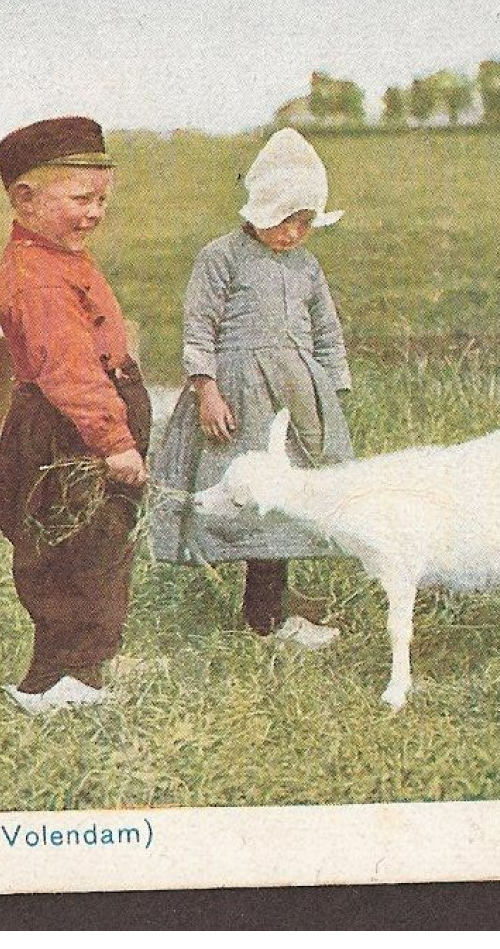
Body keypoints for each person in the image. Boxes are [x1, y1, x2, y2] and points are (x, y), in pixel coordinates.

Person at [150, 128, 353, 647]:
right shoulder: (221, 258)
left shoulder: (306, 266)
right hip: (243, 396)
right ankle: (264, 616)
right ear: (262, 211)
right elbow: (200, 328)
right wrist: (206, 390)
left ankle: (273, 600)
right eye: (287, 221)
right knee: (251, 494)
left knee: (293, 497)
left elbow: (326, 330)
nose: (294, 235)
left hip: (297, 398)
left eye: (306, 224)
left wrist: (331, 393)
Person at [0, 116, 151, 715]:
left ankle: (85, 668)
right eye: (82, 199)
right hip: (69, 429)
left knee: (100, 544)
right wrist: (114, 441)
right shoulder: (36, 277)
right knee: (71, 547)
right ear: (25, 199)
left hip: (85, 421)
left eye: (102, 199)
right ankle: (60, 684)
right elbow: (70, 371)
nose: (95, 213)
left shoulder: (61, 256)